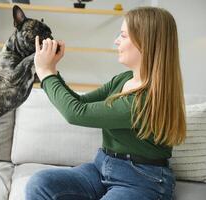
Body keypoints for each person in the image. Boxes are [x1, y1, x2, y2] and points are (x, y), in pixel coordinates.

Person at [25, 6, 186, 200]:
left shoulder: (145, 100)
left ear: (146, 42)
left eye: (123, 35)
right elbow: (79, 102)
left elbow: (76, 113)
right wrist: (52, 71)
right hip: (102, 168)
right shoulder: (122, 79)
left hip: (142, 180)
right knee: (40, 183)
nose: (116, 41)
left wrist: (45, 73)